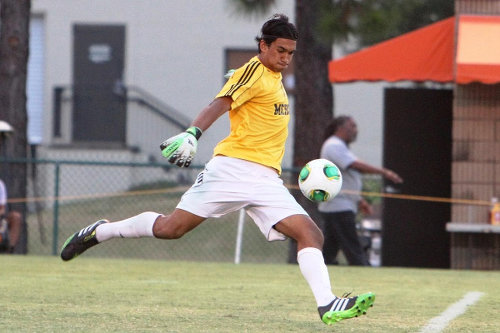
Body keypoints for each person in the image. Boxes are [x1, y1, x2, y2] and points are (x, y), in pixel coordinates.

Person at [60, 14, 374, 325]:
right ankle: (101, 231)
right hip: (231, 170)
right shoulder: (253, 71)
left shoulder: (271, 77)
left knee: (310, 234)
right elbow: (219, 104)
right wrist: (192, 133)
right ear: (263, 46)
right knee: (172, 229)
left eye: (291, 53)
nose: (286, 58)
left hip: (265, 179)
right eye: (280, 50)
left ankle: (328, 304)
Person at [319, 116, 403, 266]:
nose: (355, 130)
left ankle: (313, 271)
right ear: (340, 128)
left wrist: (359, 200)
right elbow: (354, 165)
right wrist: (384, 172)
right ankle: (364, 273)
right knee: (354, 249)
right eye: (352, 126)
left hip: (340, 205)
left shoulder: (341, 146)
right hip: (339, 206)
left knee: (328, 252)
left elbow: (347, 179)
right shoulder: (333, 145)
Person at [0, 179, 22, 253]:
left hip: (1, 217)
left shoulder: (0, 185)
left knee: (16, 217)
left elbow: (2, 209)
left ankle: (10, 250)